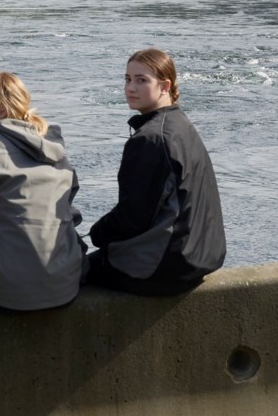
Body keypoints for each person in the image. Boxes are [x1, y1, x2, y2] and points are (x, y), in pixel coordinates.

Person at [0, 72, 86, 311]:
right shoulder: (56, 150)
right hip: (64, 288)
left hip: (7, 296)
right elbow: (68, 212)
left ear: (1, 111)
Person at [88, 49, 226, 295]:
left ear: (165, 86)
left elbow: (133, 217)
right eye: (127, 79)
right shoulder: (181, 125)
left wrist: (97, 233)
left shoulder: (151, 139)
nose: (131, 87)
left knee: (70, 274)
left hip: (167, 266)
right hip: (201, 259)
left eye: (142, 80)